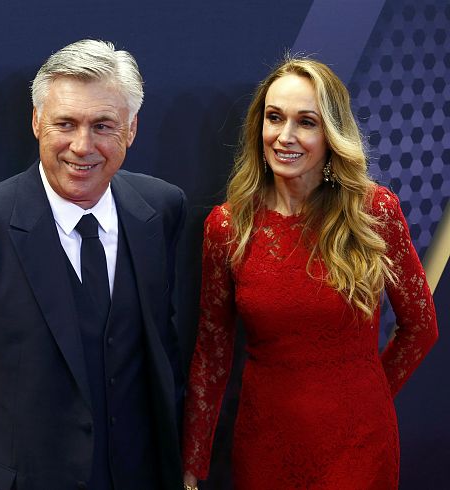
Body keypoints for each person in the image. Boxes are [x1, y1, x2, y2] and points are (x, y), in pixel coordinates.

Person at [0, 39, 188, 490]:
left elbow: (163, 356)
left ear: (131, 129)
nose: (83, 145)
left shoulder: (160, 208)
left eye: (103, 125)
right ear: (37, 122)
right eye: (66, 123)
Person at [181, 56, 438, 490]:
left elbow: (421, 327)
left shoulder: (374, 212)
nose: (285, 136)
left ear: (331, 134)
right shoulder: (228, 226)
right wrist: (193, 464)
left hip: (357, 445)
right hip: (264, 444)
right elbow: (212, 351)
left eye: (306, 122)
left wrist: (368, 398)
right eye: (274, 118)